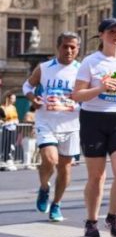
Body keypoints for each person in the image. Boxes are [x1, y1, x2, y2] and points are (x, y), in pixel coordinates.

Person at [70, 18, 116, 237]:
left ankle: (113, 216)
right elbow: (76, 95)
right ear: (101, 35)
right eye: (112, 31)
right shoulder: (91, 62)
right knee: (97, 176)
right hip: (94, 118)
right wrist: (100, 87)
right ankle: (91, 221)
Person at [24, 31, 81, 222]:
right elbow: (27, 86)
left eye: (73, 47)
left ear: (78, 49)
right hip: (46, 121)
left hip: (71, 124)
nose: (69, 50)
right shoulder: (44, 68)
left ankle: (56, 204)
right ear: (58, 47)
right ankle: (44, 187)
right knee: (50, 160)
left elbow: (89, 96)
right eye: (65, 46)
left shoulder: (82, 71)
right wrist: (33, 98)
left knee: (65, 168)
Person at [0, 92, 18, 171]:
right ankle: (3, 161)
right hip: (5, 128)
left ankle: (9, 161)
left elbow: (16, 117)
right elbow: (2, 117)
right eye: (12, 98)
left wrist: (16, 121)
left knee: (11, 145)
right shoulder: (2, 107)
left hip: (13, 128)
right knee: (4, 145)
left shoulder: (13, 108)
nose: (14, 100)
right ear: (8, 98)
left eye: (15, 98)